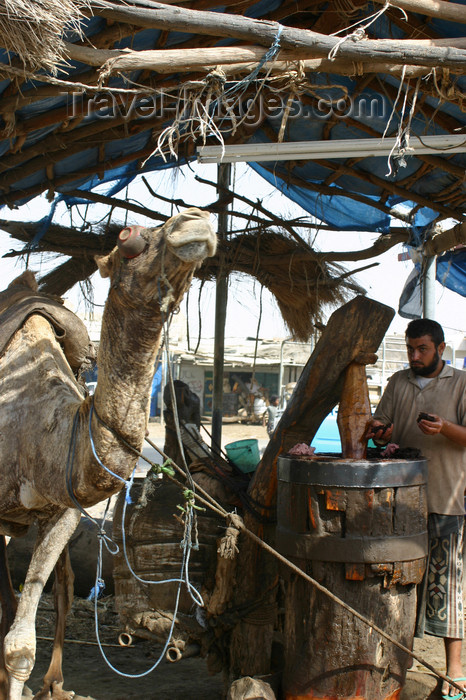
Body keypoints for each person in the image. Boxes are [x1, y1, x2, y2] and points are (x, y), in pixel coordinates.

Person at [366, 318, 466, 698]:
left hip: (444, 498)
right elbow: (384, 422)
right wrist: (380, 429)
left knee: (448, 586)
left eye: (422, 349)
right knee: (397, 583)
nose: (414, 356)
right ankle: (398, 662)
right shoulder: (398, 383)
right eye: (410, 349)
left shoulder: (462, 383)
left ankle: (455, 672)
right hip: (399, 501)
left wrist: (444, 429)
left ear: (441, 348)